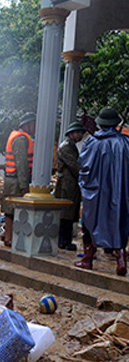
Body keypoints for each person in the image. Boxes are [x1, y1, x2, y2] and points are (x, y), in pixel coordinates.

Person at [74, 108, 129, 276]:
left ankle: (88, 259)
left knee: (90, 224)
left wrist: (86, 186)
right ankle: (121, 260)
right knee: (119, 223)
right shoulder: (125, 143)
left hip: (97, 194)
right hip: (120, 193)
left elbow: (84, 168)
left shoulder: (93, 142)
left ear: (100, 124)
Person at [1, 112, 35, 247]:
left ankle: (7, 235)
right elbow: (22, 164)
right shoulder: (21, 139)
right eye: (34, 124)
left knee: (10, 209)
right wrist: (24, 185)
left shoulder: (19, 137)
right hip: (15, 180)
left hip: (13, 179)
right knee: (11, 210)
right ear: (27, 125)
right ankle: (9, 237)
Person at [55, 121, 86, 251]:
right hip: (66, 186)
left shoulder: (71, 146)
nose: (80, 136)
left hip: (71, 185)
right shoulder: (66, 147)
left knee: (69, 214)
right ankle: (63, 241)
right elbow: (75, 166)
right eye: (78, 133)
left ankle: (65, 240)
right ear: (71, 134)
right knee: (65, 215)